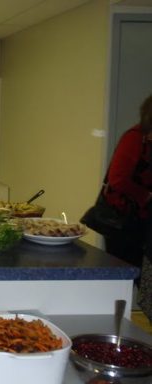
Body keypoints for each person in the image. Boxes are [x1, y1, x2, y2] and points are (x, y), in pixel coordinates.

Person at [102, 94, 152, 320]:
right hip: (124, 221)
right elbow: (117, 178)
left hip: (144, 222)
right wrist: (146, 196)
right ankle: (117, 325)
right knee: (125, 278)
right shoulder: (135, 139)